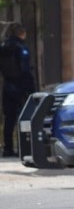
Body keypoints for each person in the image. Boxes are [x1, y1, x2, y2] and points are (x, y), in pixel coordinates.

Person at [1, 23, 36, 157]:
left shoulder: (3, 47)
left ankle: (7, 148)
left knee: (9, 118)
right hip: (20, 87)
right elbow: (25, 69)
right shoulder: (21, 48)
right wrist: (32, 89)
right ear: (21, 33)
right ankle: (24, 148)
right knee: (24, 117)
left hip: (7, 86)